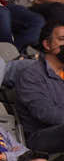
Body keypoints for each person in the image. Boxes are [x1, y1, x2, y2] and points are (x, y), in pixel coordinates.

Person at [11, 20, 64, 150]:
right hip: (41, 136)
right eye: (62, 39)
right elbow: (45, 113)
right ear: (47, 44)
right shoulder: (31, 74)